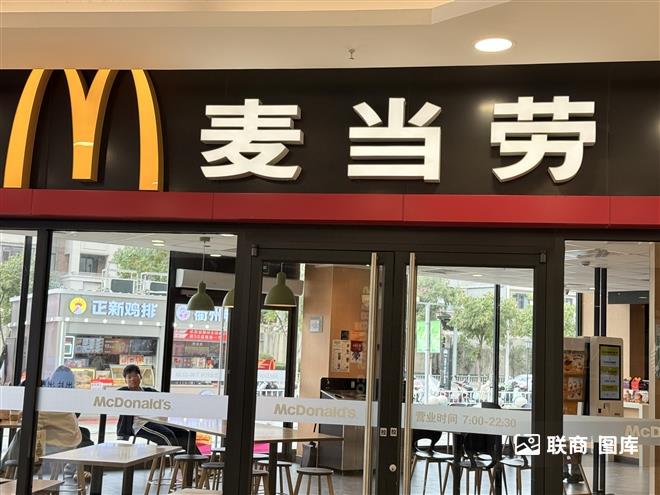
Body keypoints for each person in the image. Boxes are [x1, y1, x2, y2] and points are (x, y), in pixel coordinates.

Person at [0, 366, 82, 473]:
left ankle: (6, 469)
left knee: (22, 435)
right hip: (72, 443)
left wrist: (21, 414)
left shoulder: (47, 404)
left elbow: (33, 425)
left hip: (59, 446)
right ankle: (6, 468)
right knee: (24, 437)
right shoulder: (65, 400)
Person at [116, 364, 194, 452]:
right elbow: (111, 398)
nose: (132, 379)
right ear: (125, 380)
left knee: (184, 433)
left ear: (140, 377)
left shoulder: (149, 391)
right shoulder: (123, 393)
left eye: (135, 376)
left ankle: (196, 459)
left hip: (157, 421)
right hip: (141, 424)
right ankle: (176, 459)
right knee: (168, 435)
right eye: (129, 377)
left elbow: (166, 399)